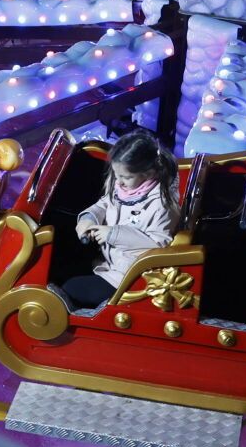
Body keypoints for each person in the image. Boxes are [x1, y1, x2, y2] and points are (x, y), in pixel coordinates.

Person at [58, 128, 177, 313]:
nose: (119, 182)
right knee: (63, 264)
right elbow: (105, 203)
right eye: (116, 175)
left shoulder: (162, 203)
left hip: (131, 276)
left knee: (69, 288)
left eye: (126, 177)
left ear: (149, 173)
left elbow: (158, 246)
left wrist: (113, 234)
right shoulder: (127, 187)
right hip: (110, 262)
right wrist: (88, 218)